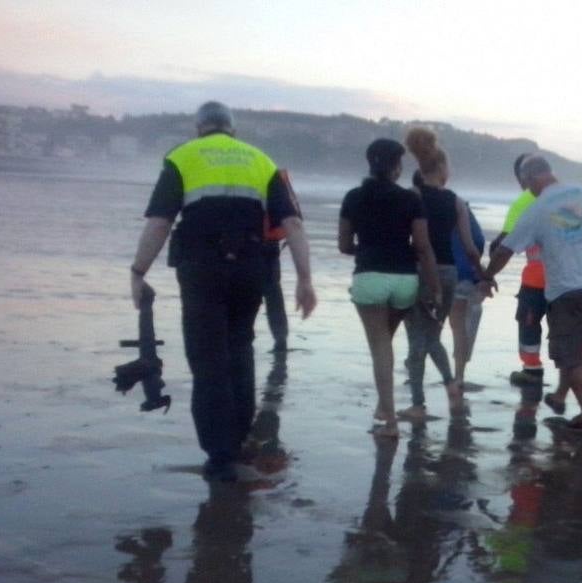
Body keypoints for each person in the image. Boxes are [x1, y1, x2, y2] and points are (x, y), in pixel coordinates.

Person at [130, 101, 315, 483]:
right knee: (240, 349)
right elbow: (293, 223)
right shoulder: (260, 160)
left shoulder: (182, 157)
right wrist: (305, 279)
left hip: (202, 270)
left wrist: (138, 271)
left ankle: (220, 454)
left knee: (207, 358)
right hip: (251, 268)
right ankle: (237, 436)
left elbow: (160, 222)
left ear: (199, 128)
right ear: (233, 129)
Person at [484, 155, 582, 429]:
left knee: (569, 356)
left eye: (526, 184)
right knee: (580, 347)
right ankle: (562, 396)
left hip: (567, 290)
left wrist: (487, 276)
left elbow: (505, 249)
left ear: (530, 179)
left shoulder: (538, 208)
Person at [339, 138, 441, 439]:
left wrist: (368, 247)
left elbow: (344, 245)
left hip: (369, 276)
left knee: (380, 347)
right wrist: (434, 288)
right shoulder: (411, 200)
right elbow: (422, 247)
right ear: (397, 167)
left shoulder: (353, 197)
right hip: (405, 280)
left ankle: (390, 422)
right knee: (385, 341)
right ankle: (384, 409)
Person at [400, 127, 485, 420]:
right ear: (441, 167)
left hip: (419, 272)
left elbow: (403, 237)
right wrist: (484, 274)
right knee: (433, 336)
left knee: (417, 339)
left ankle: (419, 403)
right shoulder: (456, 201)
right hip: (449, 274)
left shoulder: (411, 196)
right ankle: (449, 384)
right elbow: (471, 247)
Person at [489, 154, 548, 386]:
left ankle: (532, 369)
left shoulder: (524, 201)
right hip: (569, 277)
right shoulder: (566, 197)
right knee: (568, 327)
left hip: (537, 277)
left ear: (521, 178)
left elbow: (505, 243)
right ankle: (578, 375)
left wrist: (486, 274)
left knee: (528, 321)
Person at [449, 201, 490, 389]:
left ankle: (456, 376)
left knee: (455, 329)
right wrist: (484, 276)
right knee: (465, 328)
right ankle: (459, 375)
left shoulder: (441, 220)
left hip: (451, 278)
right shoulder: (471, 224)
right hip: (471, 280)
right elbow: (475, 251)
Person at [260, 169, 301, 353]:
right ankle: (280, 340)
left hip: (244, 243)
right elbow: (292, 216)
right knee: (273, 292)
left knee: (238, 293)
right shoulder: (271, 175)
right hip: (269, 243)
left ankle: (237, 339)